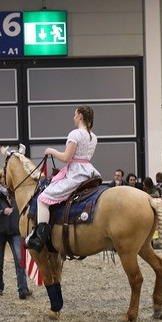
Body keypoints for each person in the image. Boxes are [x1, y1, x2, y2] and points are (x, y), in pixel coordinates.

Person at [26, 105, 100, 252]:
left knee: (43, 198)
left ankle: (40, 237)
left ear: (80, 115)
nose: (73, 118)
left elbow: (67, 158)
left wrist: (52, 151)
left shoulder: (76, 134)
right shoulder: (93, 137)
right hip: (89, 171)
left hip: (76, 173)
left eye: (74, 115)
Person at [0, 171, 31, 299]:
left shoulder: (16, 194)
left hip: (15, 232)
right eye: (2, 177)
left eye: (7, 177)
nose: (5, 179)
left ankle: (23, 289)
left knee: (20, 260)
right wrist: (3, 212)